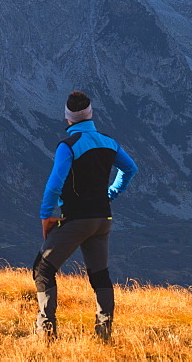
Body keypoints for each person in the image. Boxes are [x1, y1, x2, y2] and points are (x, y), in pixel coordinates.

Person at [33, 91, 138, 341]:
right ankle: (104, 333)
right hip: (103, 219)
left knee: (43, 269)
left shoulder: (68, 145)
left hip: (77, 219)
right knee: (99, 274)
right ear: (90, 114)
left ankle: (45, 333)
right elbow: (130, 169)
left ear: (67, 117)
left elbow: (54, 184)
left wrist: (46, 215)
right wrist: (111, 193)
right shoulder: (109, 142)